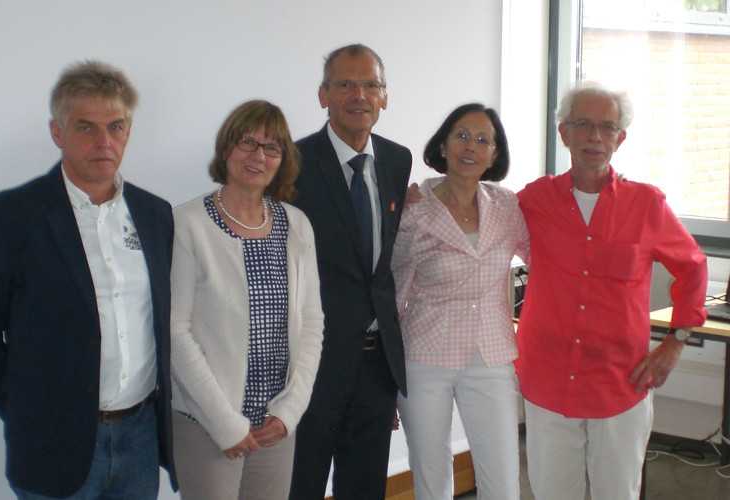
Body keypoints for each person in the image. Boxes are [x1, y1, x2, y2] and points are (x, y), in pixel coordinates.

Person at [0, 60, 177, 499]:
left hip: (140, 439)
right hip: (54, 445)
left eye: (116, 127)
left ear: (129, 132)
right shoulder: (12, 218)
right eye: (85, 127)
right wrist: (28, 414)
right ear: (57, 133)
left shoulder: (156, 215)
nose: (104, 142)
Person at [516, 82, 708, 500]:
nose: (595, 137)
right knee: (552, 493)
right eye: (583, 125)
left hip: (621, 382)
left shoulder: (647, 205)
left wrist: (674, 342)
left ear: (620, 139)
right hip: (547, 377)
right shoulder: (534, 200)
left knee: (616, 493)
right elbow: (479, 218)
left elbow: (693, 268)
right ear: (564, 132)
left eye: (607, 127)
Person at [170, 99, 324, 500]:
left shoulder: (296, 224)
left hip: (275, 422)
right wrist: (226, 423)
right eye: (247, 143)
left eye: (271, 147)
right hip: (207, 422)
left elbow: (312, 323)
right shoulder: (188, 224)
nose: (258, 156)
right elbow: (175, 331)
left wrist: (290, 412)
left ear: (282, 159)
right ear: (226, 149)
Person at [289, 43, 412, 500]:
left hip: (377, 364)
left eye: (370, 85)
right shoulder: (293, 162)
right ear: (324, 95)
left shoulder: (398, 161)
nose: (359, 95)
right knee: (300, 485)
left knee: (364, 488)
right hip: (313, 363)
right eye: (345, 84)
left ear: (385, 96)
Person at [392, 103, 528, 500]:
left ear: (495, 154)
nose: (471, 147)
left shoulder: (506, 205)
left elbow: (543, 256)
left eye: (483, 139)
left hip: (490, 355)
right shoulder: (414, 207)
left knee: (502, 474)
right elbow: (393, 281)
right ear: (444, 144)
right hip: (423, 355)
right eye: (462, 136)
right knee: (431, 473)